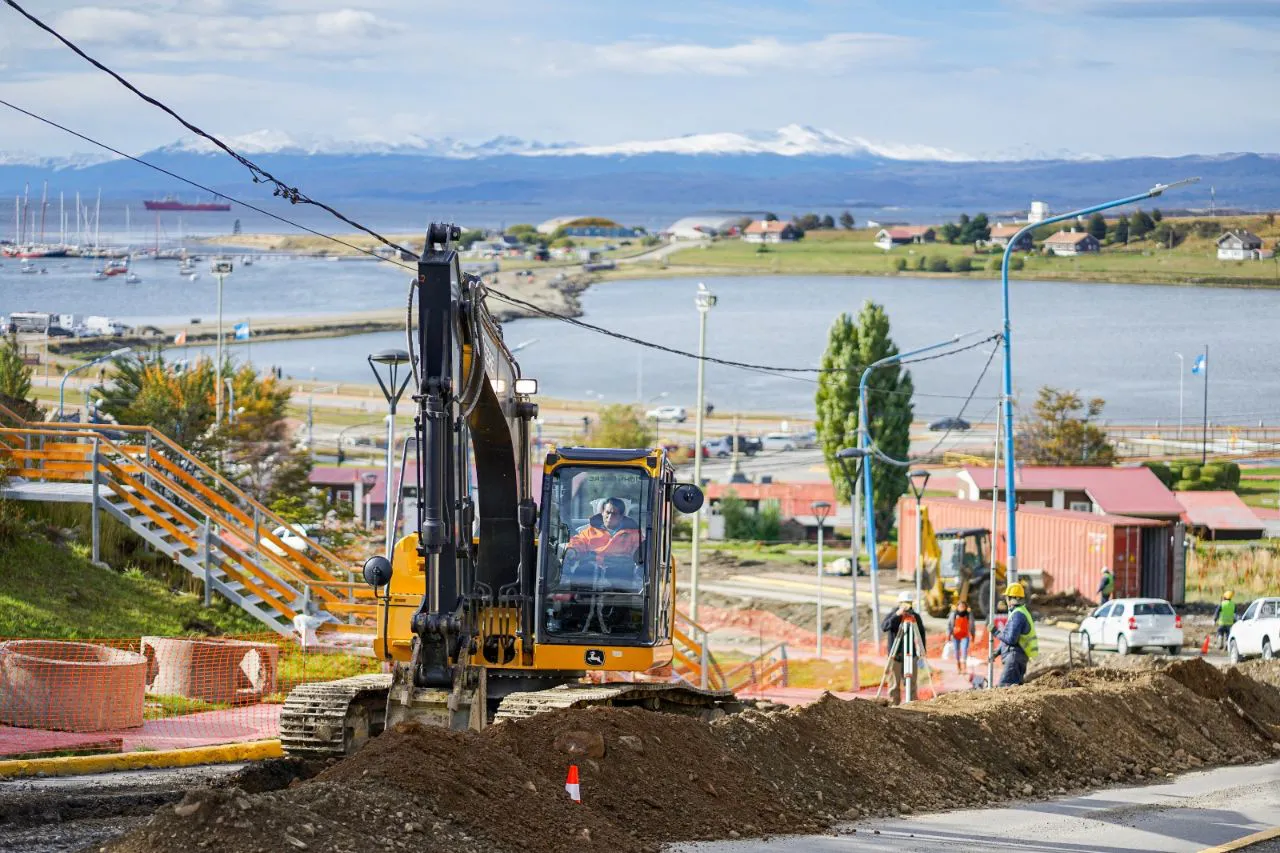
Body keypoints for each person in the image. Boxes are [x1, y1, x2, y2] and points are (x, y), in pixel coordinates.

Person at [881, 591, 927, 705]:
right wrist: (897, 615)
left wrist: (922, 649)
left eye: (909, 603)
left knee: (911, 683)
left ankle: (912, 705)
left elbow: (921, 633)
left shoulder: (914, 616)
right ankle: (894, 705)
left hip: (910, 654)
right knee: (894, 684)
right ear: (900, 603)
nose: (907, 606)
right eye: (905, 603)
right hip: (895, 655)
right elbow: (884, 627)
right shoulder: (894, 614)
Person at [994, 582, 1037, 687]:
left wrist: (995, 632)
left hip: (1014, 659)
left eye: (1007, 597)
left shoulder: (1018, 615)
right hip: (1016, 658)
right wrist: (997, 652)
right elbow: (1009, 637)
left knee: (1004, 688)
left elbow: (1011, 639)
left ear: (1010, 598)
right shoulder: (1018, 612)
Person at [947, 600, 973, 675]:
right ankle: (958, 667)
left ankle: (964, 668)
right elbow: (949, 625)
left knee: (964, 650)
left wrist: (973, 634)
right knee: (956, 651)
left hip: (965, 635)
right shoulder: (954, 614)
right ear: (957, 607)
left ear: (966, 607)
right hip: (956, 635)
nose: (962, 608)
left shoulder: (968, 615)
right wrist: (948, 635)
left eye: (963, 606)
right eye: (960, 606)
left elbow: (972, 625)